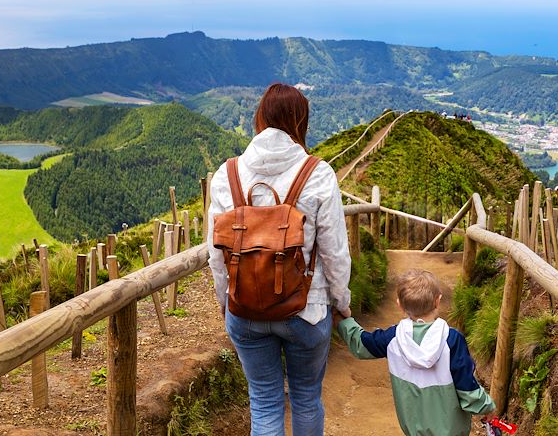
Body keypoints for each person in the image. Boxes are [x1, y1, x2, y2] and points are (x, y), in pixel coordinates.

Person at [207, 83, 352, 436]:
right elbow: (334, 251)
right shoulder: (318, 173)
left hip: (245, 311)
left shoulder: (227, 176)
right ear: (299, 122)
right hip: (307, 308)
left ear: (259, 118)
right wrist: (341, 303)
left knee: (264, 400)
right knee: (305, 397)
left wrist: (225, 302)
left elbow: (215, 253)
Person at [334, 269, 495, 436]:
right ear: (437, 301)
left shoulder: (393, 337)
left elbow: (362, 343)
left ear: (400, 305)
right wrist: (487, 407)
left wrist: (343, 322)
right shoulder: (452, 340)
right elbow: (466, 386)